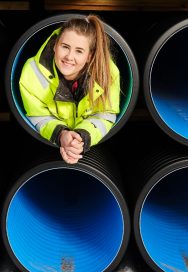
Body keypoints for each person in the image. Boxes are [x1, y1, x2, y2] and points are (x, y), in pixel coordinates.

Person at [19, 15, 120, 164]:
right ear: (55, 45)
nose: (69, 56)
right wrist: (61, 135)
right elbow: (38, 116)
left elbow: (105, 115)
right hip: (44, 144)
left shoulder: (107, 73)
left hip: (94, 143)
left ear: (88, 56)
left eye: (79, 51)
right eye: (65, 47)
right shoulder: (32, 72)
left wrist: (81, 137)